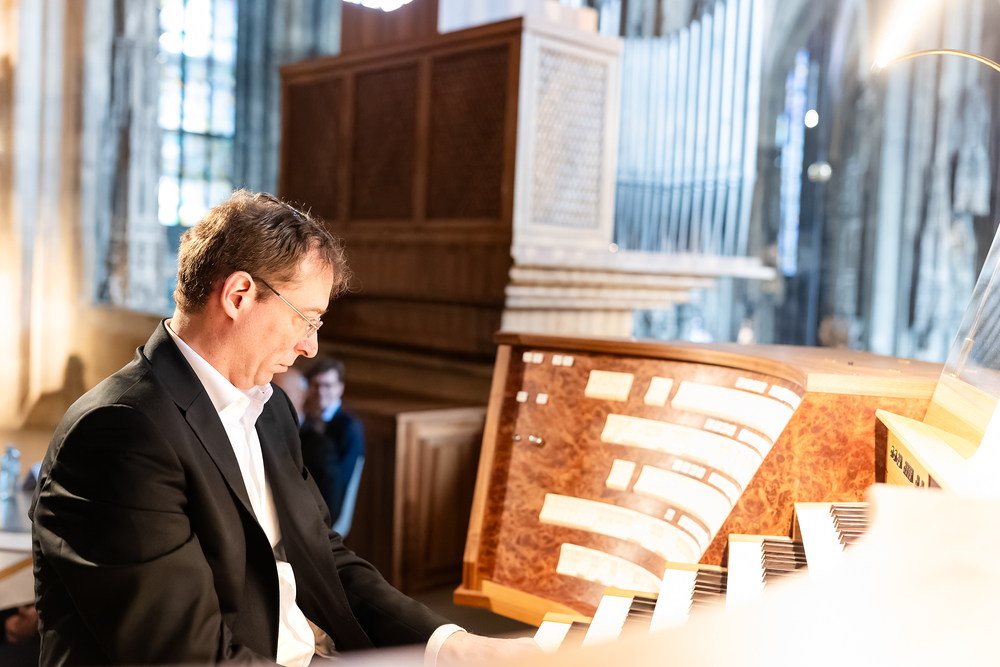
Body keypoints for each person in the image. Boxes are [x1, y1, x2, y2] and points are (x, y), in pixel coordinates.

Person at [30, 191, 538, 666]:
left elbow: (323, 556)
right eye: (306, 318)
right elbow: (188, 656)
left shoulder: (270, 408)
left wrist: (454, 646)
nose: (310, 346)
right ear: (239, 295)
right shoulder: (119, 433)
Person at [300, 358, 364, 537]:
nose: (321, 392)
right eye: (316, 385)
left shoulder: (348, 427)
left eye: (328, 385)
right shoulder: (307, 420)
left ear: (340, 388)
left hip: (328, 514)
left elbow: (341, 482)